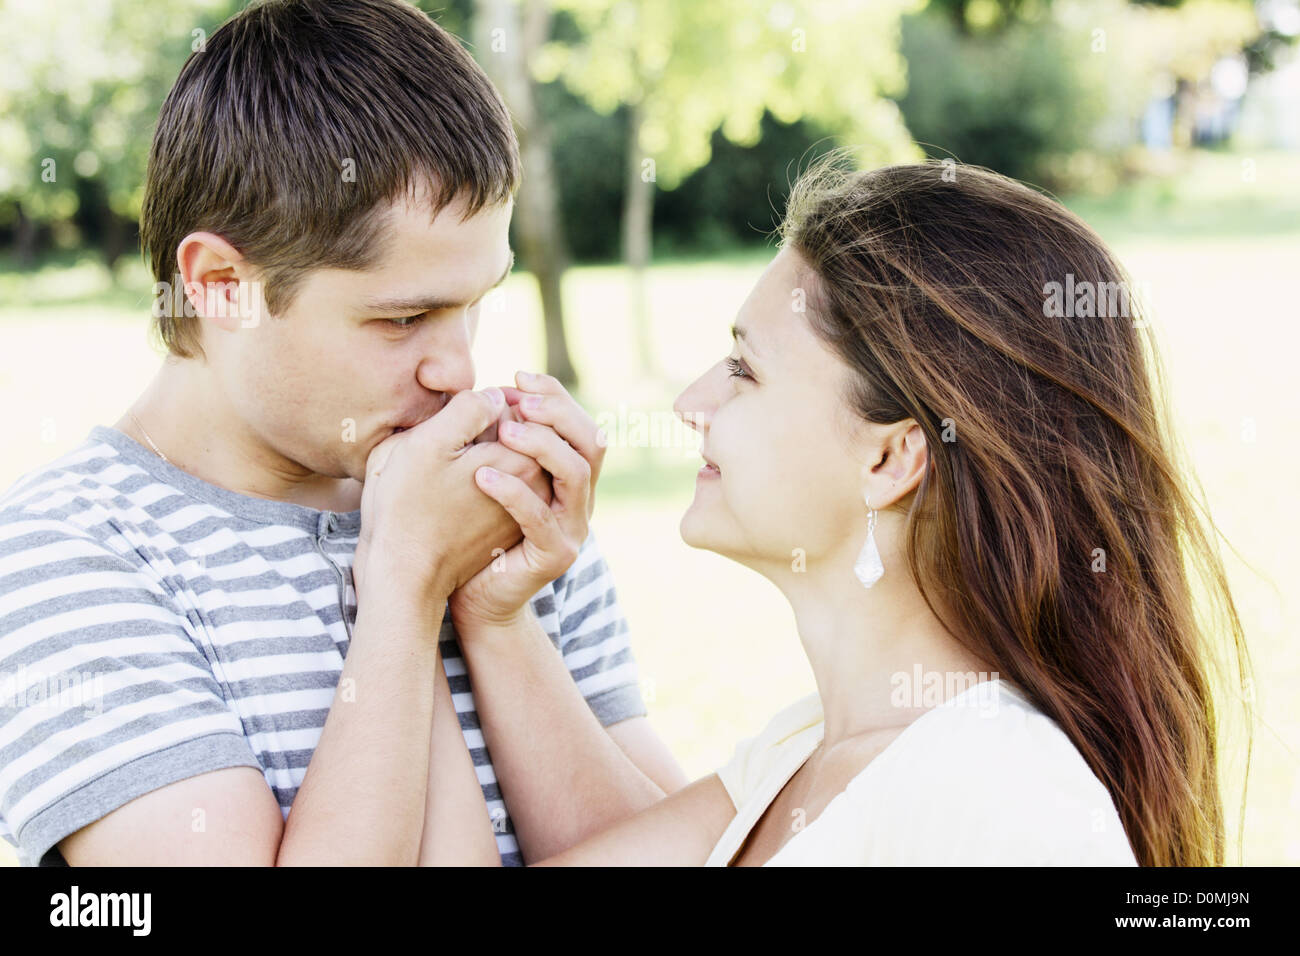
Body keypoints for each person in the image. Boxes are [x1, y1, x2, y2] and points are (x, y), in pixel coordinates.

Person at [0, 0, 687, 867]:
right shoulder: (68, 557)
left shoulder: (497, 505)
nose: (459, 374)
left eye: (477, 304)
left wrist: (496, 612)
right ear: (221, 286)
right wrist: (403, 587)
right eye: (404, 318)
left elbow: (663, 851)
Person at [423, 157, 1251, 866]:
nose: (690, 403)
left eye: (743, 370)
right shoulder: (807, 754)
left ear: (889, 458)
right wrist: (489, 613)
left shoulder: (1006, 799)